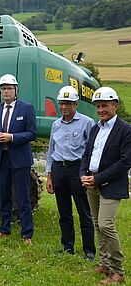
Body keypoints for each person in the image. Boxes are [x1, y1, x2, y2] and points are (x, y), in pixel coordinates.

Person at [80, 86, 130, 285]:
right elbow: (86, 155)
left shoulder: (126, 130)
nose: (101, 110)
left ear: (115, 106)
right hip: (91, 182)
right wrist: (83, 174)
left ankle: (118, 271)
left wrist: (98, 179)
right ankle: (104, 263)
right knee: (97, 224)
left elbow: (126, 162)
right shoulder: (95, 128)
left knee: (106, 225)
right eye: (98, 106)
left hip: (110, 185)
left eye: (105, 106)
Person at [45, 86, 96, 260]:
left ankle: (89, 250)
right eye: (61, 103)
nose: (64, 107)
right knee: (64, 211)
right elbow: (51, 150)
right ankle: (67, 246)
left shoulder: (87, 122)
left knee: (84, 211)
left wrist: (88, 173)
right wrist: (49, 175)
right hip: (59, 169)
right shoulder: (56, 124)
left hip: (77, 169)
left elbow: (91, 149)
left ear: (76, 104)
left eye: (68, 103)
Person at [0, 74, 37, 245]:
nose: (6, 92)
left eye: (9, 88)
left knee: (23, 197)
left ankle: (27, 233)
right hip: (2, 158)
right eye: (3, 89)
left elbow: (32, 133)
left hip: (20, 159)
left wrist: (12, 137)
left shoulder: (26, 108)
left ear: (16, 90)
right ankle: (4, 229)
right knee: (3, 195)